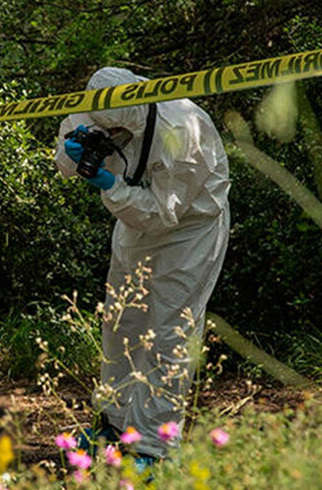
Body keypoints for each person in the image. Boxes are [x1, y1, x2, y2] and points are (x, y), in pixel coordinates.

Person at [54, 67, 230, 468]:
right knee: (120, 323)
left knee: (168, 332)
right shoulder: (97, 105)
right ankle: (114, 425)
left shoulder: (184, 131)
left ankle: (154, 448)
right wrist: (74, 151)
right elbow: (64, 157)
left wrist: (108, 184)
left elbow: (162, 213)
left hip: (189, 231)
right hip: (133, 223)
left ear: (129, 119)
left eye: (116, 134)